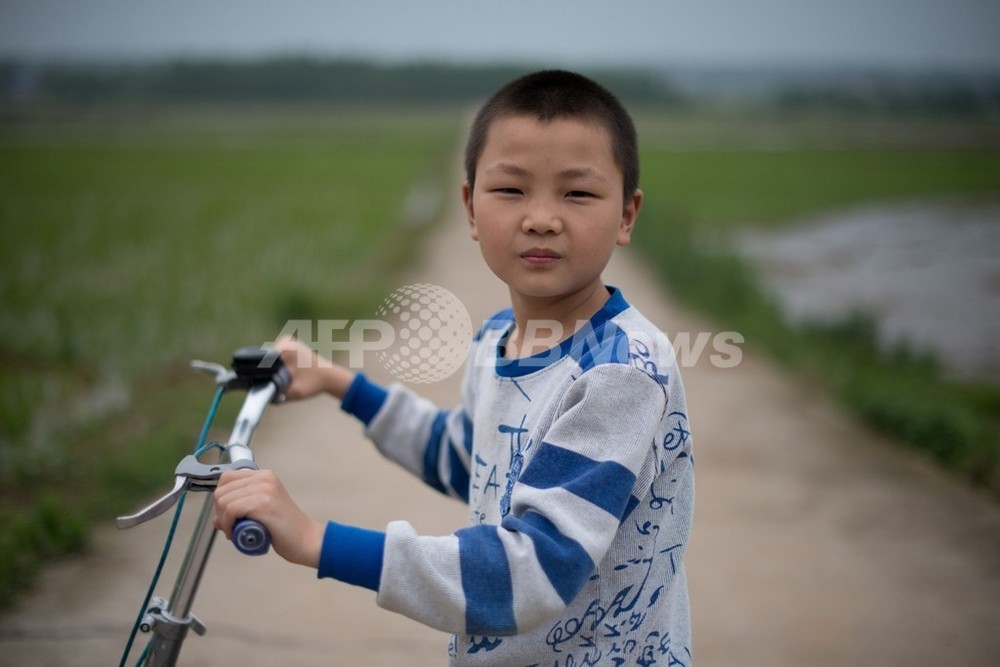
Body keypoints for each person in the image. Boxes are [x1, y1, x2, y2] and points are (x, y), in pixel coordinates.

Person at [214, 69, 695, 666]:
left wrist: (317, 540)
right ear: (469, 207)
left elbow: (531, 571)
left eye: (577, 193)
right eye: (511, 190)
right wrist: (340, 384)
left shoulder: (618, 374)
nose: (542, 217)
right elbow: (471, 458)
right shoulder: (500, 336)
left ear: (627, 214)